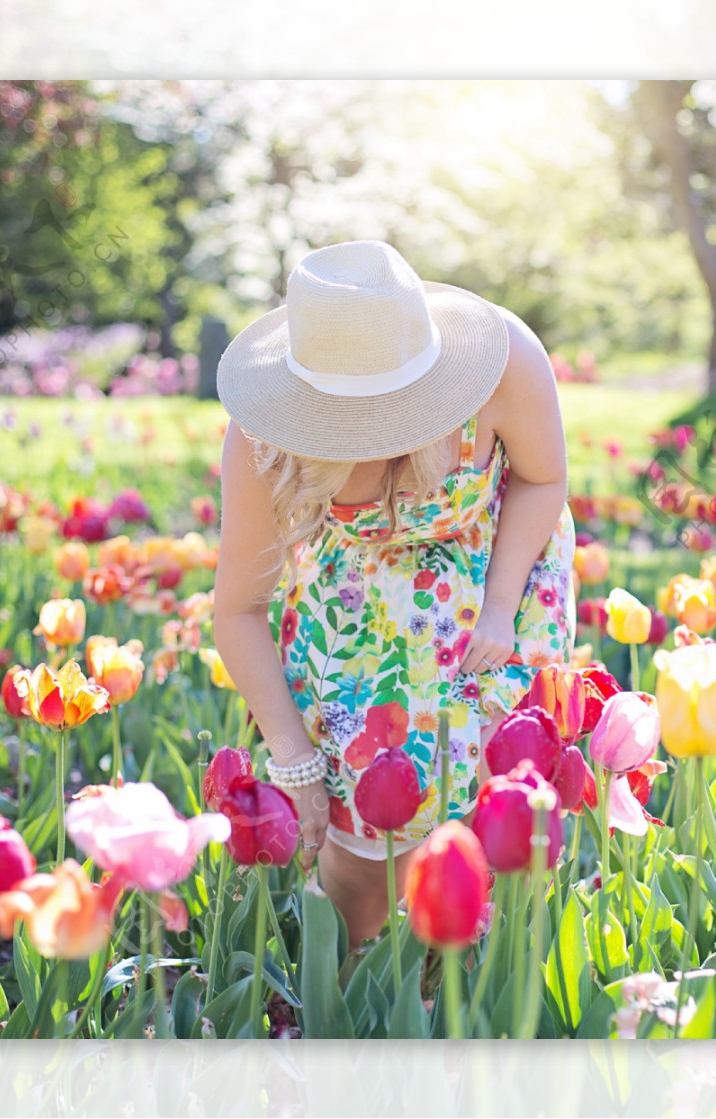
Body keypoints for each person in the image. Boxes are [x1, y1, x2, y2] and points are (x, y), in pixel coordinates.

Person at [212, 240, 576, 946]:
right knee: (362, 840)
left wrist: (501, 602)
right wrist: (293, 755)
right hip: (354, 601)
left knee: (496, 816)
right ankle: (354, 994)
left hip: (496, 566)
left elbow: (543, 478)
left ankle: (477, 988)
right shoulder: (268, 439)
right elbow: (238, 609)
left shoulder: (503, 365)